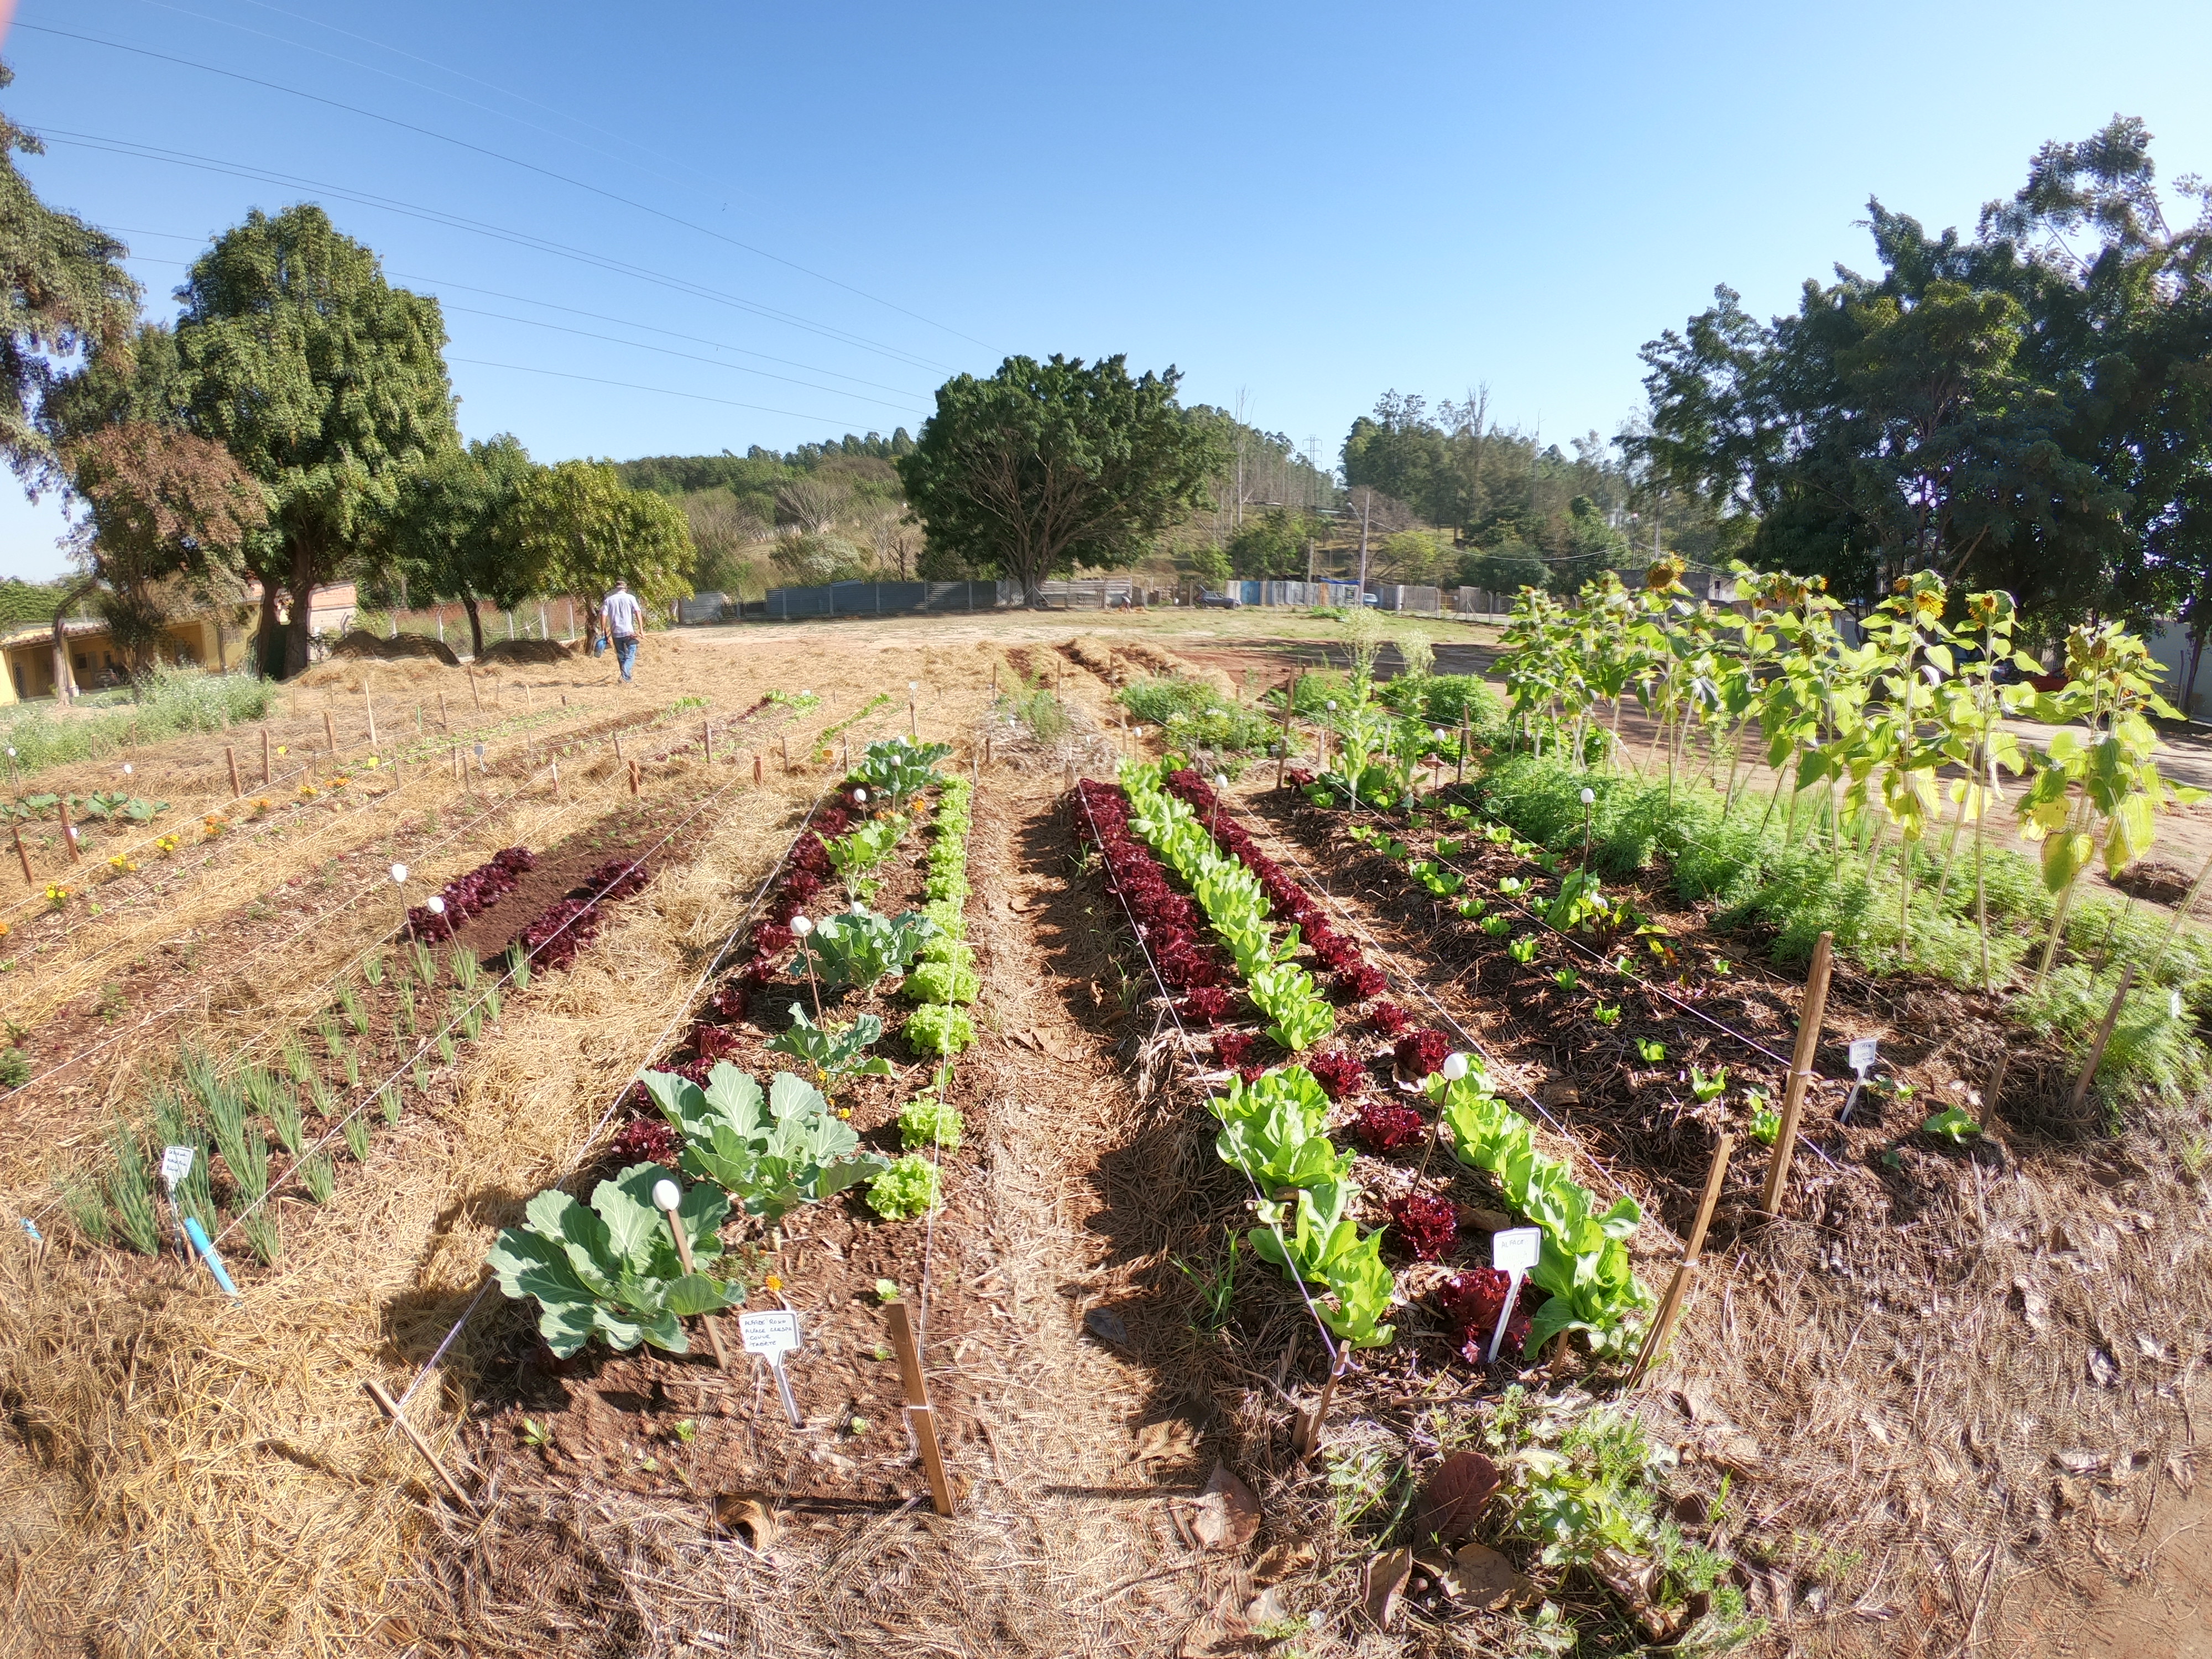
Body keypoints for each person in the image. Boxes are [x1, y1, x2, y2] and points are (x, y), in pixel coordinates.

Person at [601, 580, 644, 683]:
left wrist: (604, 632)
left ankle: (626, 678)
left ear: (615, 589)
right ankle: (626, 670)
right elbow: (638, 612)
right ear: (625, 588)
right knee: (632, 651)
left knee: (621, 655)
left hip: (616, 632)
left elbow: (603, 616)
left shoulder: (609, 600)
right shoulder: (630, 598)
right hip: (629, 632)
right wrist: (641, 630)